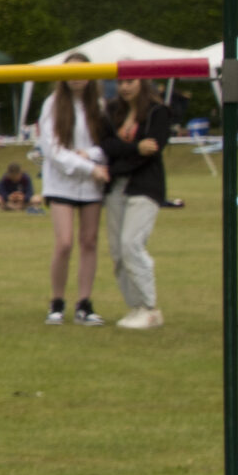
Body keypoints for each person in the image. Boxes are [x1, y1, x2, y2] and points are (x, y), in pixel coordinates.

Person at [101, 75, 175, 330]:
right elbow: (106, 144)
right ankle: (135, 307)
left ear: (142, 82)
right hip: (115, 188)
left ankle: (149, 307)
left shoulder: (158, 112)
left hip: (145, 186)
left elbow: (152, 150)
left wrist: (121, 158)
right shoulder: (112, 111)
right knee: (117, 251)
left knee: (131, 243)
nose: (124, 87)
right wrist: (134, 148)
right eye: (120, 82)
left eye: (130, 81)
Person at [39, 63, 108, 326]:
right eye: (71, 73)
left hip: (91, 185)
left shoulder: (98, 105)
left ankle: (84, 304)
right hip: (61, 183)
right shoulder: (52, 104)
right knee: (64, 242)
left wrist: (90, 156)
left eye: (82, 73)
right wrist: (88, 167)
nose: (77, 78)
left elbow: (106, 144)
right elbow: (52, 149)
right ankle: (57, 302)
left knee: (89, 241)